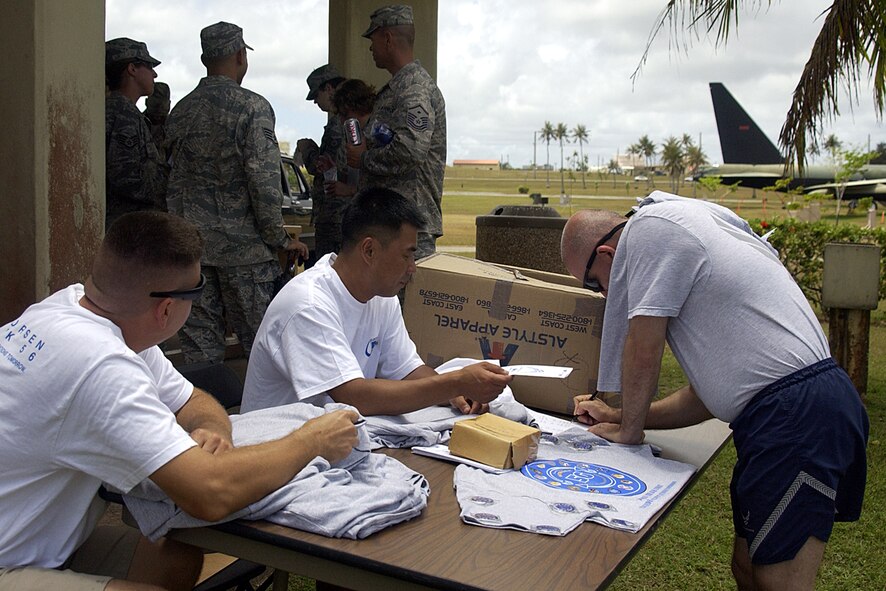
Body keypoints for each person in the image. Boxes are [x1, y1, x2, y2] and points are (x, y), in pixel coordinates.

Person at [0, 211, 358, 591]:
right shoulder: (101, 366)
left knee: (175, 557)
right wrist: (311, 441)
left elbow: (191, 400)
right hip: (11, 561)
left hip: (33, 542)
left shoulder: (78, 310)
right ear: (167, 308)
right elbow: (210, 493)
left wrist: (211, 430)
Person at [560, 193, 869, 591]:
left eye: (593, 283)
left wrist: (630, 433)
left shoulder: (648, 230)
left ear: (606, 253)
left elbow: (643, 343)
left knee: (779, 581)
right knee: (747, 567)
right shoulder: (688, 225)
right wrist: (620, 417)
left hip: (796, 417)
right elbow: (707, 397)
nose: (604, 295)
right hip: (785, 413)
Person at [241, 187, 512, 416]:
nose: (412, 268)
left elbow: (408, 371)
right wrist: (454, 382)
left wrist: (459, 393)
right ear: (369, 250)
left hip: (328, 440)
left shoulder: (382, 298)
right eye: (406, 256)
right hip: (274, 447)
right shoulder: (308, 304)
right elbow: (352, 396)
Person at [165, 21, 308, 364]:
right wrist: (280, 239)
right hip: (245, 254)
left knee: (200, 352)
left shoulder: (180, 111)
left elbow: (167, 180)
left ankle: (205, 416)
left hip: (192, 252)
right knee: (265, 348)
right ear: (241, 56)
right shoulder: (252, 107)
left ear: (204, 58)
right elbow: (263, 181)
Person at [345, 4, 446, 260]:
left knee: (402, 300)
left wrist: (363, 159)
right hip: (391, 223)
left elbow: (410, 149)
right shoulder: (398, 88)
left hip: (407, 227)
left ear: (388, 38)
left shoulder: (414, 90)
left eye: (373, 39)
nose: (370, 48)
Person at [105, 38, 168, 229]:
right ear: (132, 69)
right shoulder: (124, 114)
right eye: (149, 67)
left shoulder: (120, 110)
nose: (155, 74)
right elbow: (126, 177)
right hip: (127, 227)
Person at [297, 64, 346, 263]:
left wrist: (307, 148)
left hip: (334, 215)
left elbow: (323, 166)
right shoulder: (343, 120)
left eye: (316, 95)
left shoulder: (338, 124)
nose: (315, 102)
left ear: (329, 89)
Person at [325, 79, 378, 205]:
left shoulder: (378, 132)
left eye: (343, 114)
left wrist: (350, 190)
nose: (342, 121)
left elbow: (386, 182)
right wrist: (332, 169)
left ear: (349, 106)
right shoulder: (354, 135)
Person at [143, 81, 171, 154]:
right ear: (146, 102)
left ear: (169, 105)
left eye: (162, 107)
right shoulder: (136, 123)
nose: (158, 112)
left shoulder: (175, 126)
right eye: (154, 106)